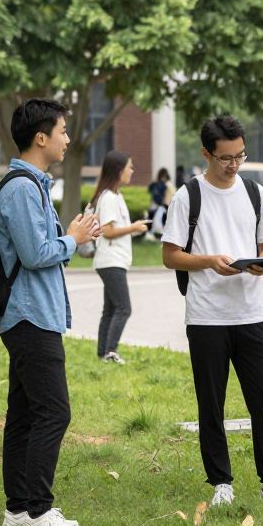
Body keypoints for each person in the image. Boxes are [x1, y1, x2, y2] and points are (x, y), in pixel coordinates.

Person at [161, 115, 263, 507]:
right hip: (207, 316)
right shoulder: (187, 196)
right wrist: (209, 261)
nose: (234, 165)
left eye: (240, 155)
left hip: (252, 313)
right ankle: (220, 483)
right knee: (212, 403)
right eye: (226, 158)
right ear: (207, 153)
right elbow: (170, 256)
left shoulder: (256, 193)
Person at [0, 99, 100, 526]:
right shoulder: (20, 188)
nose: (68, 139)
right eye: (62, 131)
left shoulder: (33, 185)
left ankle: (18, 512)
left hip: (33, 315)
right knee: (54, 412)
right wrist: (71, 239)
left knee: (24, 415)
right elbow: (37, 254)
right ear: (41, 137)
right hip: (30, 316)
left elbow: (38, 249)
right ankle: (38, 512)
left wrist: (71, 237)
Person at [90, 150, 149, 365]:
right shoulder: (109, 198)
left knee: (111, 309)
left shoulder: (115, 196)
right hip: (111, 260)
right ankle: (111, 352)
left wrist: (134, 229)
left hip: (113, 260)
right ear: (119, 170)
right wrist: (133, 227)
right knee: (124, 308)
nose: (132, 171)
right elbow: (108, 231)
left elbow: (115, 228)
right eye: (129, 167)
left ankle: (102, 353)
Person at [147, 168, 173, 239]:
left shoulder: (159, 183)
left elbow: (149, 190)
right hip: (163, 204)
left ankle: (150, 233)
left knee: (153, 218)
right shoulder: (166, 184)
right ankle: (154, 234)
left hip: (160, 204)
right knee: (163, 220)